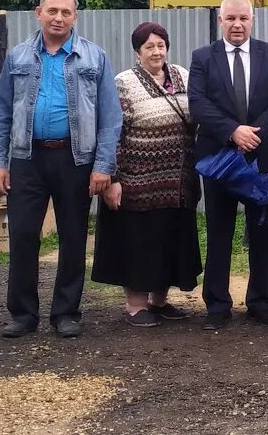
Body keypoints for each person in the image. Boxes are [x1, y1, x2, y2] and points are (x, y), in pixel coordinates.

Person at [0, 0, 121, 338]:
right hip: (26, 158)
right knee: (22, 234)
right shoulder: (18, 57)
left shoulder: (94, 57)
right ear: (39, 13)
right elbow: (0, 112)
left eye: (65, 12)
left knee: (73, 236)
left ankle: (66, 312)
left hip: (75, 159)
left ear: (74, 16)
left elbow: (111, 117)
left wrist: (104, 165)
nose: (58, 17)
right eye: (52, 11)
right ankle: (22, 314)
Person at [188, 0, 268, 330]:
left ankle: (261, 302)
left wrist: (254, 133)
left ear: (252, 20)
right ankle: (217, 306)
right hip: (220, 157)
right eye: (230, 18)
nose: (237, 24)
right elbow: (198, 103)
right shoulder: (203, 57)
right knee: (219, 231)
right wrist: (233, 131)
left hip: (262, 155)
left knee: (262, 231)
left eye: (243, 18)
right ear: (221, 21)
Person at [91, 22, 202, 327]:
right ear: (137, 52)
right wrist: (112, 180)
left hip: (178, 181)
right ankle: (135, 305)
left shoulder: (183, 75)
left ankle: (160, 301)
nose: (156, 51)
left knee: (170, 238)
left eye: (161, 45)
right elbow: (111, 131)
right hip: (136, 183)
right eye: (149, 47)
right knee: (140, 242)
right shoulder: (123, 83)